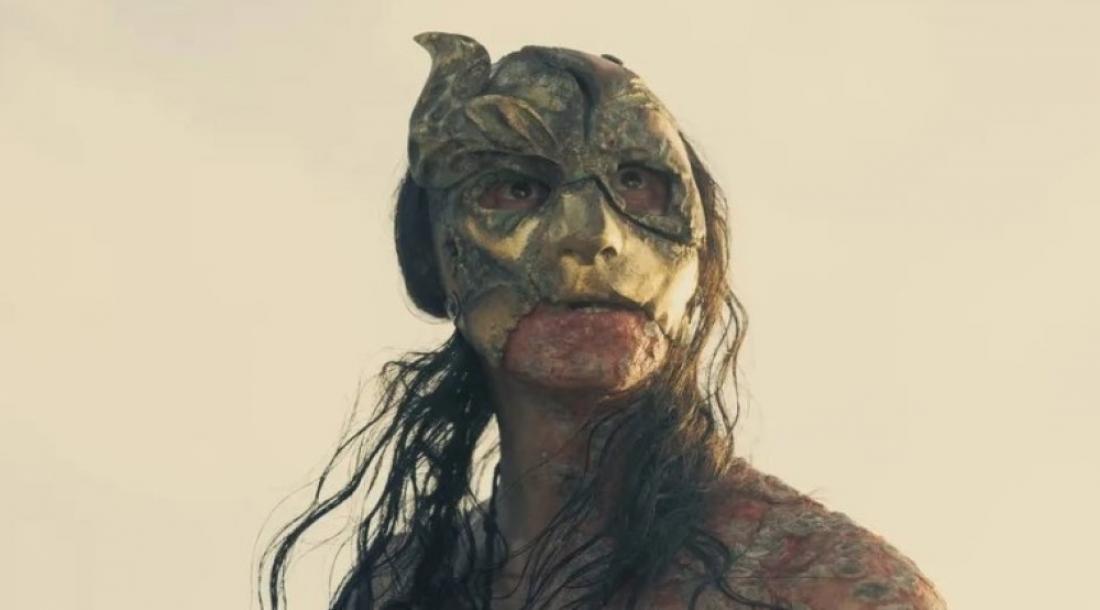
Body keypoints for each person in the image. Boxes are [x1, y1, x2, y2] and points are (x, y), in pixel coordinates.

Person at [265, 32, 946, 610]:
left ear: (703, 256)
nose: (592, 236)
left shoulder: (822, 587)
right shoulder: (397, 588)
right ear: (427, 261)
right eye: (518, 188)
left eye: (637, 183)